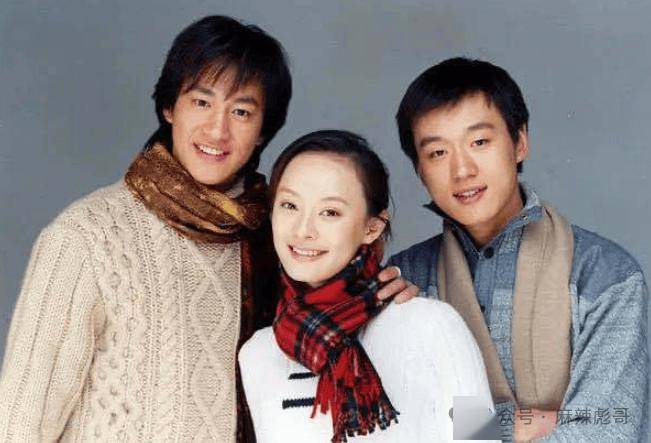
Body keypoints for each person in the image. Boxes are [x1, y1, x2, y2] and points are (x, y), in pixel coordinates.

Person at [389, 57, 649, 442]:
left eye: (479, 142)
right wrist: (529, 423)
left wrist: (466, 426)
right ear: (419, 171)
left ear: (519, 142)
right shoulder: (406, 279)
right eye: (438, 153)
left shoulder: (605, 276)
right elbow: (398, 426)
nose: (462, 170)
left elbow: (607, 431)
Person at [239, 130, 496, 442]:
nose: (303, 230)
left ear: (372, 227)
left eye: (330, 212)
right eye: (289, 205)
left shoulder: (432, 326)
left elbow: (483, 437)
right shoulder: (258, 354)